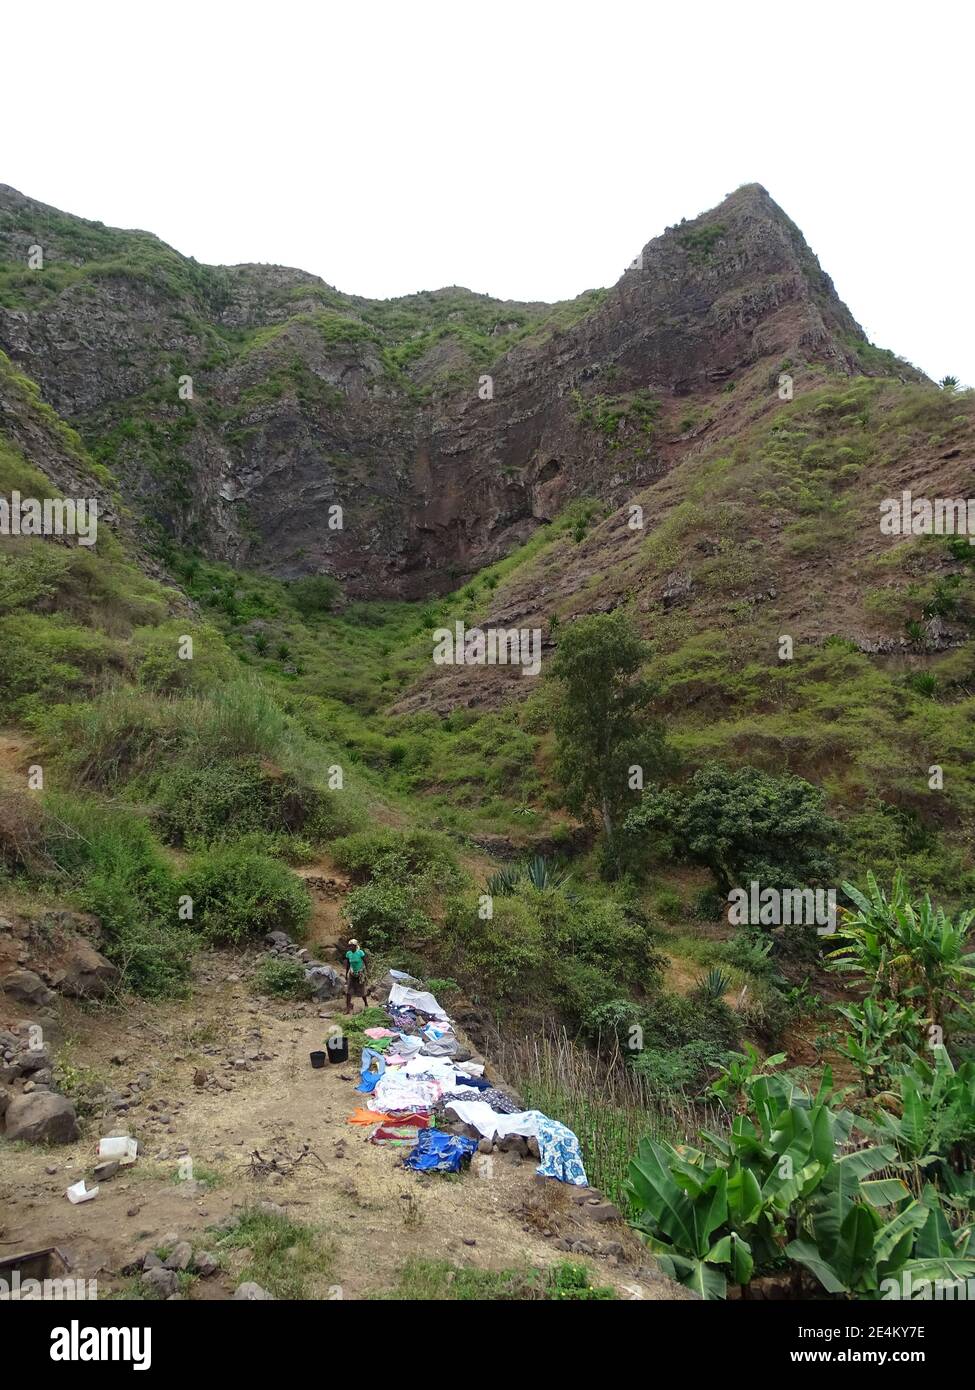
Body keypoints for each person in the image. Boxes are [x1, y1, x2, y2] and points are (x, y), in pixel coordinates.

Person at [344, 937, 368, 1014]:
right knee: (349, 991)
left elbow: (365, 962)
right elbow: (348, 964)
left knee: (362, 990)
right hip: (352, 973)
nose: (350, 947)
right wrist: (346, 973)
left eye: (351, 946)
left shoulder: (360, 952)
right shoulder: (348, 954)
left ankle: (366, 1004)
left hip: (360, 973)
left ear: (355, 946)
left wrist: (367, 971)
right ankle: (347, 1008)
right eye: (349, 946)